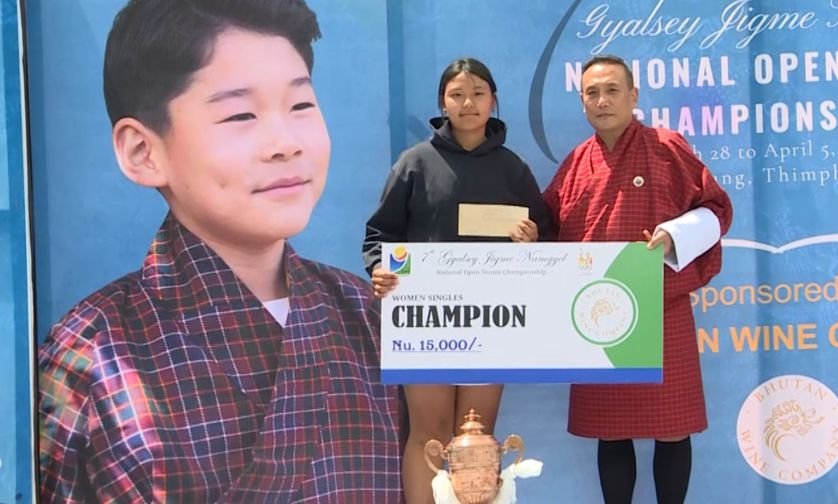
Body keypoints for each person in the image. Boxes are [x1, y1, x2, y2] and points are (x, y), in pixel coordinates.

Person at [36, 1, 403, 502]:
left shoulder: (368, 314)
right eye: (240, 114)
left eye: (301, 106)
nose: (285, 143)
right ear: (143, 151)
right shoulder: (92, 353)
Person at [543, 55, 733, 504]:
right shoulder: (575, 164)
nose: (603, 100)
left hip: (661, 308)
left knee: (672, 428)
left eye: (612, 90)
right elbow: (550, 226)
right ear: (582, 101)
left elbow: (717, 210)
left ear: (633, 96)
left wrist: (673, 236)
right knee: (611, 432)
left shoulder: (667, 147)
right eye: (592, 93)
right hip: (597, 315)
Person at [362, 57, 553, 504]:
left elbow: (547, 238)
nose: (468, 103)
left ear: (494, 101)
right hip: (423, 320)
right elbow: (380, 235)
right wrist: (379, 269)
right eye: (457, 95)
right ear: (442, 104)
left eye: (478, 94)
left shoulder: (513, 169)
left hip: (493, 320)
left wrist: (533, 240)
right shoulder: (414, 163)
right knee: (428, 433)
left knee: (478, 434)